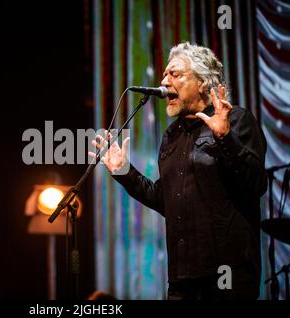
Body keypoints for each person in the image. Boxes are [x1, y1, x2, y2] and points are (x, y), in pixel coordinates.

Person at [92, 42, 267, 300]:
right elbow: (167, 200)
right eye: (164, 74)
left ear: (203, 82)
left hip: (227, 276)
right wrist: (123, 171)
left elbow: (256, 184)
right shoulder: (171, 135)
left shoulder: (237, 120)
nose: (164, 81)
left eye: (175, 74)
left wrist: (225, 137)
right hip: (181, 279)